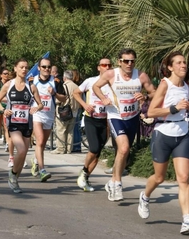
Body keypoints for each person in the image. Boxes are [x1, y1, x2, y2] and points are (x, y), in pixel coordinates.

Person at [92, 48, 156, 202]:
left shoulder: (140, 75)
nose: (129, 64)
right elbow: (95, 87)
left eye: (132, 61)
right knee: (124, 147)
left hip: (132, 117)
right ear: (119, 62)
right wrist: (103, 99)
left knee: (124, 153)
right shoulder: (111, 74)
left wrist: (145, 96)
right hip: (116, 116)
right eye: (126, 61)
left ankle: (113, 181)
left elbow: (154, 92)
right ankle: (118, 183)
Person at [137, 51, 189, 235]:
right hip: (163, 133)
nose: (183, 65)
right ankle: (145, 196)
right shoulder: (165, 85)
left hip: (183, 133)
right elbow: (151, 112)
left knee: (183, 178)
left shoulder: (187, 86)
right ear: (170, 67)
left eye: (184, 63)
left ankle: (186, 220)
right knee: (159, 177)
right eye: (179, 63)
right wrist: (174, 108)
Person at [0, 58, 44, 193]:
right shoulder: (8, 85)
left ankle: (15, 179)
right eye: (21, 67)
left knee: (23, 155)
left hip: (27, 124)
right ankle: (12, 174)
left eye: (26, 67)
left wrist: (36, 108)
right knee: (21, 150)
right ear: (15, 69)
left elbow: (40, 104)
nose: (24, 69)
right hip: (13, 123)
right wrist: (4, 110)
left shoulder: (31, 87)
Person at [73, 58, 112, 192]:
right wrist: (84, 105)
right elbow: (76, 93)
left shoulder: (113, 83)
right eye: (104, 65)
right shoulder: (90, 81)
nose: (107, 67)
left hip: (105, 121)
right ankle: (84, 171)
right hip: (91, 119)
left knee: (97, 153)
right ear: (98, 67)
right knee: (94, 148)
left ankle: (85, 178)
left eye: (109, 65)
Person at [31, 58, 66, 182]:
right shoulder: (32, 81)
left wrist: (54, 94)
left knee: (42, 143)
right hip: (37, 115)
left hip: (49, 115)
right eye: (44, 67)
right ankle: (42, 170)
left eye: (49, 67)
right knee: (39, 141)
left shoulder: (56, 81)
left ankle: (35, 161)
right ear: (39, 68)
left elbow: (64, 99)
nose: (47, 69)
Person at [52, 70, 80, 154]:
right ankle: (69, 148)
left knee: (61, 130)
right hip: (74, 111)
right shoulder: (76, 86)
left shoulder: (63, 86)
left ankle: (61, 148)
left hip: (64, 111)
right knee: (70, 131)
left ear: (64, 77)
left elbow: (59, 99)